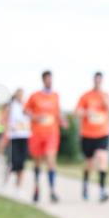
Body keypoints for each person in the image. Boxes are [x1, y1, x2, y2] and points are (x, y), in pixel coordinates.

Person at [24, 71, 67, 203]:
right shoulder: (34, 96)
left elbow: (58, 113)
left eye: (51, 79)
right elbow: (25, 110)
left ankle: (52, 191)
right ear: (43, 80)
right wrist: (35, 117)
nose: (49, 81)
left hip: (52, 133)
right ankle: (36, 187)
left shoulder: (55, 96)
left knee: (50, 160)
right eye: (47, 79)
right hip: (37, 133)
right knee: (37, 162)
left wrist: (63, 121)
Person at [75, 72, 109, 202]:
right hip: (88, 134)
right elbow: (77, 112)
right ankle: (85, 185)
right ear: (93, 80)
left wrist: (103, 99)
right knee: (89, 163)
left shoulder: (106, 95)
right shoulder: (85, 96)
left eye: (100, 80)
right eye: (96, 80)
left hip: (103, 133)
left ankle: (102, 191)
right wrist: (86, 112)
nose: (98, 82)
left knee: (103, 158)